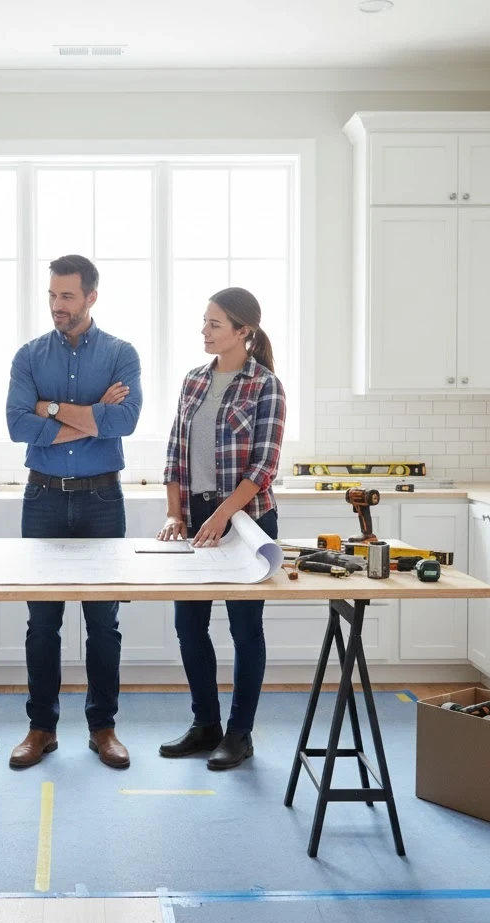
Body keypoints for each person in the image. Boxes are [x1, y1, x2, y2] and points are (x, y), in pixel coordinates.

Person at [5, 255, 142, 769]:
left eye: (67, 296)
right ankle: (41, 728)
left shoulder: (121, 354)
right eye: (52, 296)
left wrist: (51, 408)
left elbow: (125, 420)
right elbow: (17, 424)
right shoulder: (28, 356)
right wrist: (89, 415)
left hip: (102, 499)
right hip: (42, 499)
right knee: (42, 623)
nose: (57, 306)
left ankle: (103, 728)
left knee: (103, 622)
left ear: (91, 297)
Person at [157, 287, 286, 770]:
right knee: (189, 626)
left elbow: (264, 466)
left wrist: (224, 515)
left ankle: (239, 733)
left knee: (244, 629)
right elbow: (175, 452)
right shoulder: (193, 381)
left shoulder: (265, 385)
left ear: (243, 332)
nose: (205, 331)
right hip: (195, 518)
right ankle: (205, 724)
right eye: (204, 322)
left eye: (215, 324)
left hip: (248, 521)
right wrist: (176, 514)